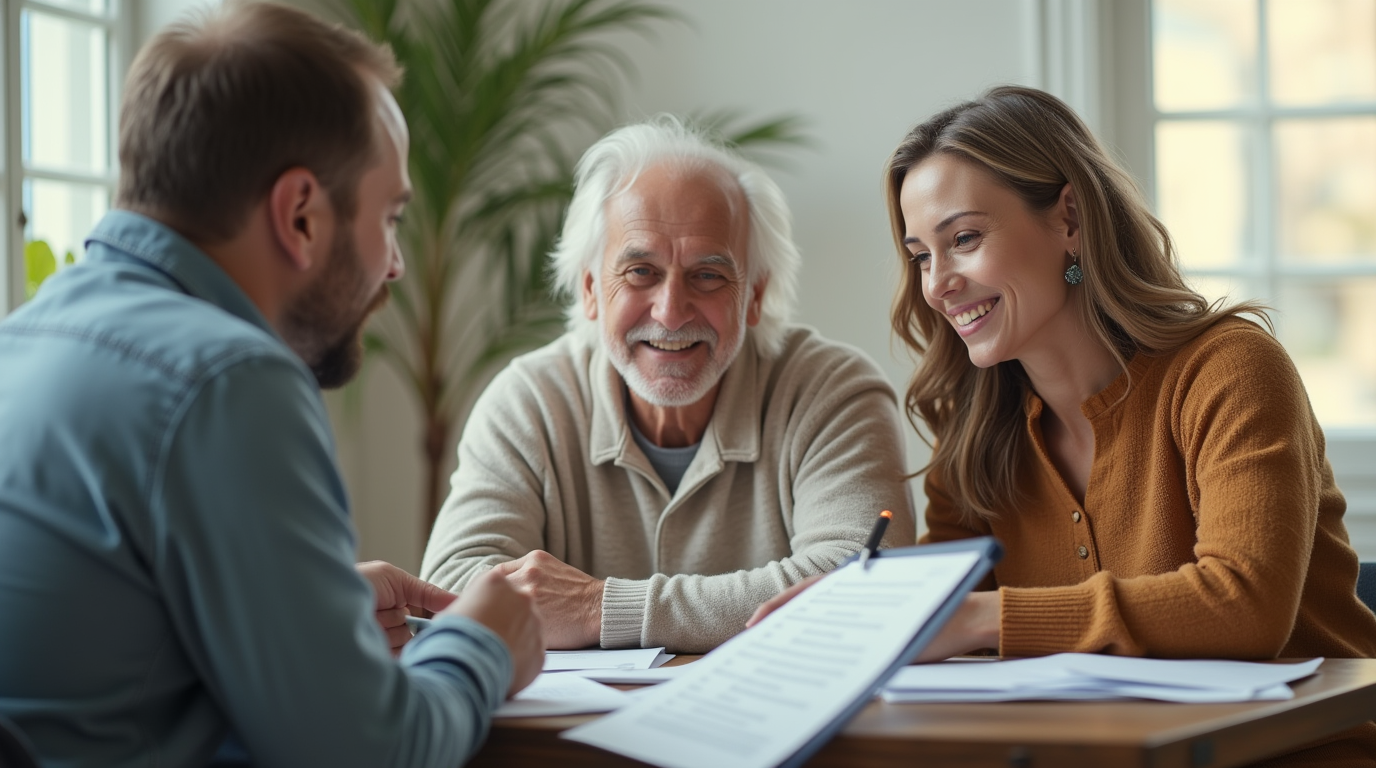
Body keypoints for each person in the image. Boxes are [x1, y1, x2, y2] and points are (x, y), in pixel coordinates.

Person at [754, 85, 1376, 765]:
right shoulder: (975, 426)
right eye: (921, 255)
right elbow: (942, 630)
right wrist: (867, 617)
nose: (936, 285)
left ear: (1070, 219)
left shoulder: (1230, 369)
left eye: (963, 239)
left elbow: (1245, 606)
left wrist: (971, 620)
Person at [0, 4, 543, 767]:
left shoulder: (23, 339)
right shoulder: (228, 381)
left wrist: (315, 607)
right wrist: (481, 644)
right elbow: (373, 755)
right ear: (301, 217)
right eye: (390, 217)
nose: (393, 264)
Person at [421, 117, 915, 654]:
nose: (671, 311)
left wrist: (599, 608)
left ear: (754, 296)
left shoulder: (833, 392)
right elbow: (453, 586)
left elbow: (862, 584)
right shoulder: (529, 401)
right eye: (640, 272)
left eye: (707, 275)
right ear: (590, 290)